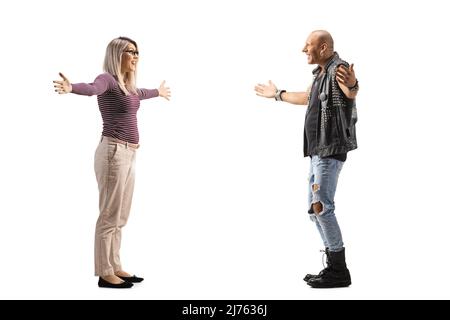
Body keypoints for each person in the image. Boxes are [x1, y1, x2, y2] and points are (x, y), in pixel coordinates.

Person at [53, 36, 171, 288]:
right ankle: (104, 272)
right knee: (109, 215)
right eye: (130, 51)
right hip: (113, 153)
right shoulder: (106, 79)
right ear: (117, 54)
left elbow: (141, 93)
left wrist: (158, 93)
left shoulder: (126, 86)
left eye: (137, 51)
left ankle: (115, 265)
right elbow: (92, 88)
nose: (136, 56)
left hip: (129, 153)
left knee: (121, 215)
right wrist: (71, 87)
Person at [255, 30, 359, 288]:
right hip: (317, 151)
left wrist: (354, 84)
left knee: (322, 207)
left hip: (329, 148)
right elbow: (306, 97)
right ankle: (333, 267)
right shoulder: (320, 75)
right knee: (315, 211)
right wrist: (277, 93)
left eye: (308, 45)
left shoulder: (339, 69)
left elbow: (351, 90)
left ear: (323, 47)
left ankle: (339, 271)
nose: (304, 49)